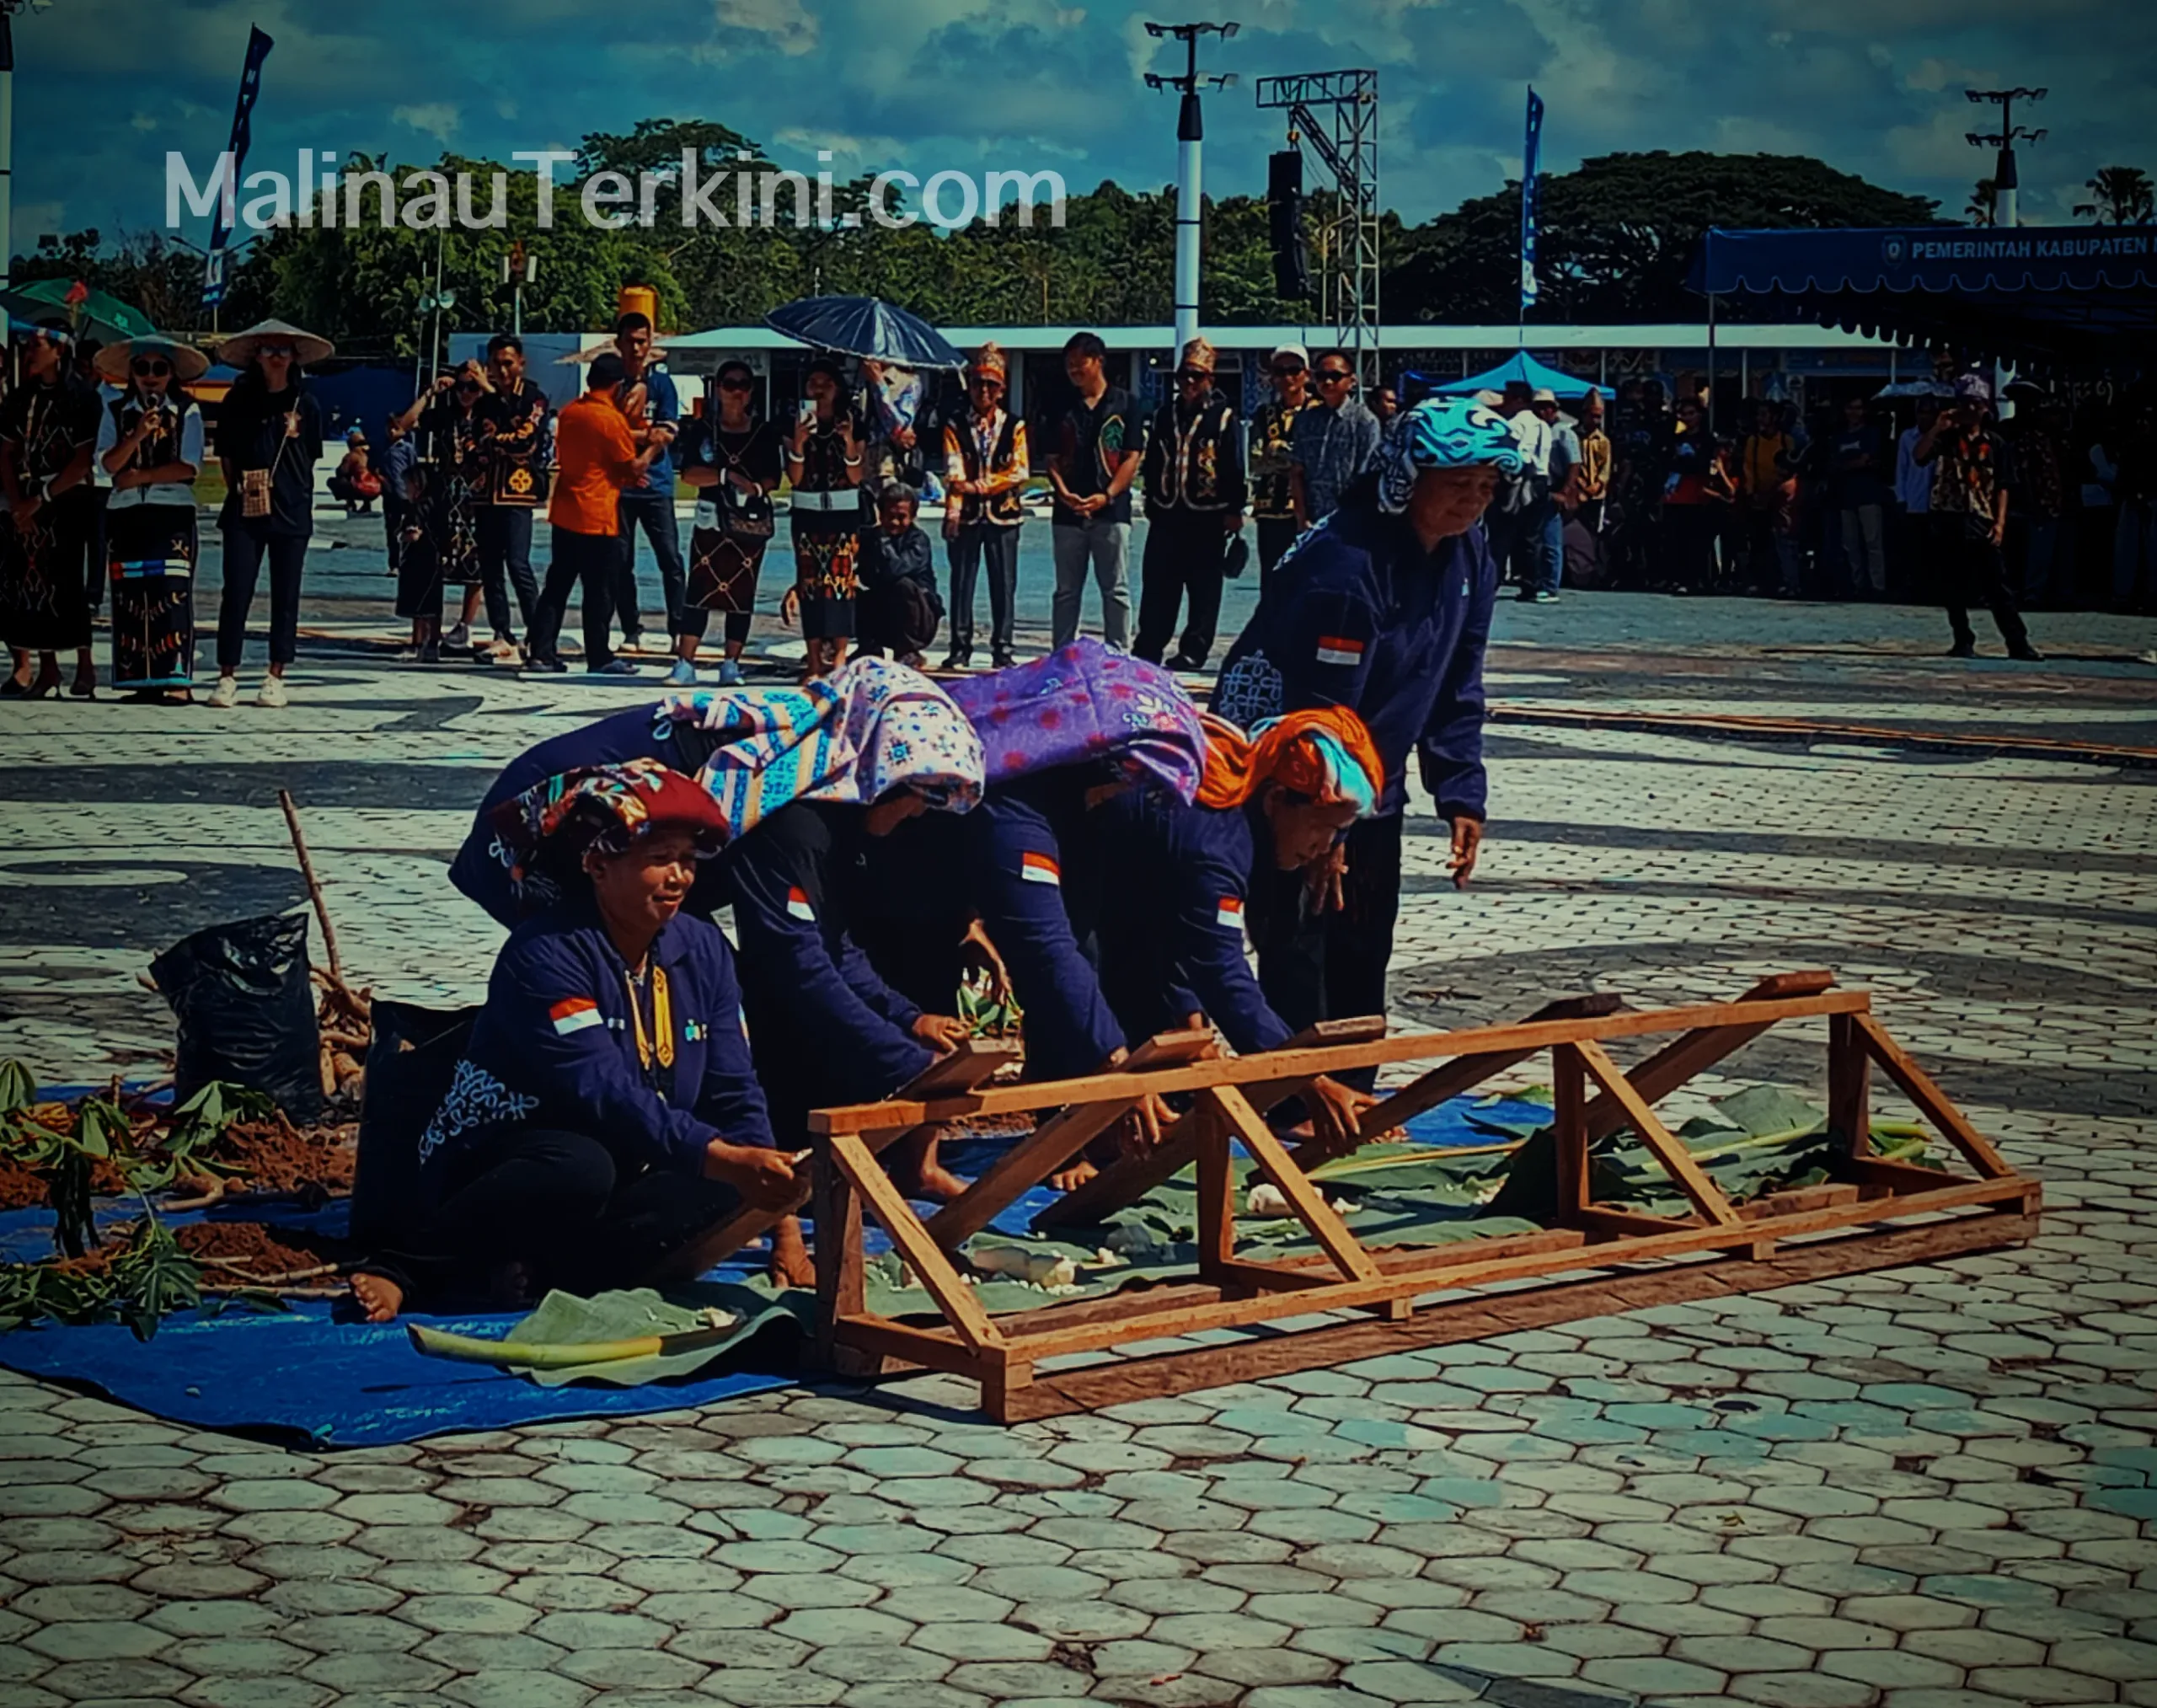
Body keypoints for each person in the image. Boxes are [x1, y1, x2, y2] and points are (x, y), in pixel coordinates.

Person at [349, 763, 790, 1323]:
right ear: (599, 865)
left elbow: (734, 1086)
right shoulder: (545, 954)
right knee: (581, 1165)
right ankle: (407, 1268)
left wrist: (781, 1225)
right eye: (660, 859)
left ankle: (544, 1273)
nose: (680, 876)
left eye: (687, 859)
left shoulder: (703, 948)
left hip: (630, 1152)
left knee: (722, 1190)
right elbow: (602, 1088)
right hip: (505, 1154)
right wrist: (720, 1156)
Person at [1212, 399, 1521, 1080]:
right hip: (1289, 768)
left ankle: (1354, 1085)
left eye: (1486, 487)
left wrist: (1461, 790)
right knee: (1301, 933)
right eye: (1456, 484)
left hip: (1369, 772)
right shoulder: (1346, 565)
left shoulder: (1472, 555)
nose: (1472, 502)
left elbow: (1456, 681)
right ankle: (1295, 1093)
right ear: (1408, 479)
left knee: (1365, 930)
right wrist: (1328, 827)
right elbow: (1321, 714)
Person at [717, 659, 984, 1250]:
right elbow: (801, 968)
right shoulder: (795, 830)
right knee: (763, 1019)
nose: (919, 815)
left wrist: (911, 1018)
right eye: (917, 799)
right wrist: (902, 1060)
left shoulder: (836, 825)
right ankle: (770, 1201)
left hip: (785, 944)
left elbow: (837, 944)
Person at [947, 641, 1210, 1188]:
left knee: (1085, 952)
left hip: (1056, 838)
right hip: (913, 894)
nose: (1136, 795)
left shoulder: (1087, 799)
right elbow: (1044, 951)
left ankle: (1079, 1123)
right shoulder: (1015, 804)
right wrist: (1118, 1067)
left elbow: (1087, 943)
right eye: (1134, 781)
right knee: (1049, 968)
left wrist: (1184, 1009)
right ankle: (1058, 1136)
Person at [1092, 709, 1386, 1152]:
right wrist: (1310, 1081)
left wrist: (1189, 1018)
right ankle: (1068, 1145)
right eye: (1322, 828)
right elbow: (1225, 976)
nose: (1324, 848)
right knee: (1079, 990)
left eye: (1339, 835)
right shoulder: (1218, 848)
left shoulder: (1236, 830)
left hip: (1132, 902)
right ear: (1274, 801)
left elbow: (1182, 929)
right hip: (1084, 880)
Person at [206, 319, 330, 710]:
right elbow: (225, 453)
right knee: (236, 590)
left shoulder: (305, 403)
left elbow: (309, 455)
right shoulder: (237, 400)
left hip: (291, 509)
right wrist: (240, 487)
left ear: (294, 357)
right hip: (245, 505)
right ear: (255, 356)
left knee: (286, 594)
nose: (276, 357)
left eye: (283, 350)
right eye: (268, 350)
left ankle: (276, 674)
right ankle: (227, 674)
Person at [525, 352, 673, 677]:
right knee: (600, 590)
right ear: (618, 386)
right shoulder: (609, 419)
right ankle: (599, 655)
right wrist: (655, 446)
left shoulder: (571, 412)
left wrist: (626, 473)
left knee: (557, 585)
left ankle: (541, 651)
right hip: (597, 514)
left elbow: (598, 460)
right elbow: (630, 465)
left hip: (566, 509)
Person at [92, 336, 207, 704]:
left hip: (171, 509)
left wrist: (140, 476)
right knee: (130, 593)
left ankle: (176, 679)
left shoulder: (187, 410)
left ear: (171, 374)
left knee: (171, 590)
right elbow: (107, 463)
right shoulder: (114, 409)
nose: (151, 377)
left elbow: (189, 466)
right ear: (132, 373)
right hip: (126, 511)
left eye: (160, 369)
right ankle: (137, 677)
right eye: (143, 368)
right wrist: (138, 433)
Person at [1, 319, 102, 700]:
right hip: (28, 497)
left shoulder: (81, 396)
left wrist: (40, 497)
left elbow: (82, 460)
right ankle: (47, 669)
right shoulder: (21, 397)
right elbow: (6, 453)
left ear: (59, 351)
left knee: (69, 581)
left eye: (37, 345)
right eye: (28, 345)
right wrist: (16, 505)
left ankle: (86, 666)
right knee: (34, 583)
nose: (29, 351)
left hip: (69, 497)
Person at [1137, 337, 1246, 671]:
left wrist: (1234, 509)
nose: (1188, 383)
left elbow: (1233, 466)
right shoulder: (1162, 416)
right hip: (1168, 514)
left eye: (1196, 376)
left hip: (1207, 518)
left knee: (1204, 589)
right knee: (1158, 585)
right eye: (1183, 376)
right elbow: (1153, 461)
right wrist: (1151, 498)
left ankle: (1194, 650)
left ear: (1209, 380)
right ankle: (1149, 647)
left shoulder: (1224, 418)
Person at [1914, 374, 2040, 661]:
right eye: (1964, 403)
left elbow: (2003, 486)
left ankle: (2017, 642)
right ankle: (1963, 639)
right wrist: (1937, 427)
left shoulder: (1995, 443)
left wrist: (2000, 523)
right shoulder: (1946, 438)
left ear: (1985, 407)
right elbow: (1919, 456)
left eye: (1975, 404)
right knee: (1953, 586)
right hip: (1948, 515)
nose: (1970, 409)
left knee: (1998, 586)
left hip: (1981, 517)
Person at [675, 358, 783, 687]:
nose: (736, 392)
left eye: (743, 386)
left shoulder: (764, 432)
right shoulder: (702, 429)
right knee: (699, 587)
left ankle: (731, 663)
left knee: (742, 590)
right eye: (730, 385)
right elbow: (690, 473)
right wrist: (725, 476)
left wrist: (756, 488)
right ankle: (685, 662)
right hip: (711, 516)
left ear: (751, 392)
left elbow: (773, 477)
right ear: (718, 389)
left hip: (747, 520)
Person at [1046, 331, 1140, 651]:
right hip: (1068, 511)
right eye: (1069, 364)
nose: (1073, 370)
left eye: (1079, 362)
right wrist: (1063, 493)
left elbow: (1132, 457)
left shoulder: (1126, 403)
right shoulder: (1060, 403)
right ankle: (1061, 651)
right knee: (1066, 590)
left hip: (1111, 510)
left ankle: (1119, 653)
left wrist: (1108, 494)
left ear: (1098, 361)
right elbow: (1051, 459)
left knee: (1116, 588)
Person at [939, 342, 1029, 671]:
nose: (984, 391)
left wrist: (979, 486)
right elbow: (953, 470)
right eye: (979, 384)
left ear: (1002, 390)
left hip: (1004, 515)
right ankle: (959, 645)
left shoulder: (1015, 426)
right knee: (962, 581)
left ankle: (1003, 647)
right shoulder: (955, 425)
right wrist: (953, 511)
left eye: (992, 385)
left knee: (1003, 583)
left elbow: (1020, 470)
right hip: (966, 515)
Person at [390, 361, 490, 650]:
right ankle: (431, 629)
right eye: (461, 386)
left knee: (477, 566)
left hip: (477, 496)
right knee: (436, 560)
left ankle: (465, 626)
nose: (466, 393)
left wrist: (484, 385)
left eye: (472, 387)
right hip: (445, 495)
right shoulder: (445, 415)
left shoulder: (488, 413)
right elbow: (402, 426)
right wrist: (430, 392)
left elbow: (507, 408)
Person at [784, 356, 867, 680]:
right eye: (813, 384)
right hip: (807, 510)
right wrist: (799, 443)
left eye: (826, 384)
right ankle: (814, 660)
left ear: (837, 389)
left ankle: (839, 659)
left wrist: (847, 442)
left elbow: (857, 475)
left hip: (843, 513)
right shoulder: (794, 422)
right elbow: (793, 476)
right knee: (810, 586)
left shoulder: (853, 421)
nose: (819, 390)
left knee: (840, 586)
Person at [472, 333, 551, 664]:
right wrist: (497, 440)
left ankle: (538, 635)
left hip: (518, 490)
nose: (502, 371)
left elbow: (525, 441)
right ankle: (502, 632)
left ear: (521, 363)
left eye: (508, 363)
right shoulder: (483, 403)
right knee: (489, 568)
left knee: (518, 564)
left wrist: (497, 440)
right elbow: (477, 440)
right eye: (496, 364)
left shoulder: (534, 398)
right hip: (486, 491)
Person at [609, 313, 686, 654]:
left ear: (650, 343)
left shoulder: (663, 385)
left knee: (670, 559)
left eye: (642, 341)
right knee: (620, 561)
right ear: (619, 343)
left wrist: (644, 455)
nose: (636, 348)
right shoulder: (611, 383)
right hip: (620, 487)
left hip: (656, 484)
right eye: (630, 341)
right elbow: (606, 432)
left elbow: (667, 431)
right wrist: (641, 434)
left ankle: (679, 629)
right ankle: (631, 629)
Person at [1288, 351, 1382, 529]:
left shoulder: (1365, 421)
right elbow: (1297, 472)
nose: (1328, 382)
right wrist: (1301, 517)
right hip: (1312, 522)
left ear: (1352, 380)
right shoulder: (1305, 420)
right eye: (1321, 376)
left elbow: (1368, 477)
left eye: (1335, 376)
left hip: (1351, 521)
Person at [856, 483, 943, 664]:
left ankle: (908, 649)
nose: (895, 522)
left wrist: (884, 542)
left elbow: (895, 570)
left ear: (913, 516)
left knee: (903, 586)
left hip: (918, 616)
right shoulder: (871, 538)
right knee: (849, 588)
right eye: (890, 516)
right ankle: (869, 647)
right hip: (885, 612)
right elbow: (866, 575)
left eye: (901, 517)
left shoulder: (919, 540)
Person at [1249, 344, 1312, 581]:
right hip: (1271, 510)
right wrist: (1293, 458)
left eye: (1294, 370)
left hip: (1311, 510)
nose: (1287, 377)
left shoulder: (1318, 411)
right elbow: (1255, 461)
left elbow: (1316, 460)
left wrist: (1276, 451)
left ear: (1306, 374)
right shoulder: (1264, 414)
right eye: (1280, 371)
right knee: (1273, 581)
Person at [1737, 399, 1801, 597]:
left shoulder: (1786, 440)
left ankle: (1782, 580)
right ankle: (1758, 580)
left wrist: (1779, 491)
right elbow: (1748, 468)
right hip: (1758, 498)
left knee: (1781, 541)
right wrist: (1752, 493)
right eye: (1759, 415)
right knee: (1758, 541)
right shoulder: (1753, 441)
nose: (1761, 419)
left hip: (1780, 497)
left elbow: (1791, 467)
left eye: (1765, 415)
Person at [1830, 395, 1890, 598]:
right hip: (1846, 497)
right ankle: (1859, 584)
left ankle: (1878, 586)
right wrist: (1853, 464)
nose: (1853, 413)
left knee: (1873, 543)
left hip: (1869, 495)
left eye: (1858, 408)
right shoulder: (1839, 436)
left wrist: (1849, 465)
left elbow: (1866, 460)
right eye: (1850, 408)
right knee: (1850, 544)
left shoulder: (1871, 434)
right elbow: (1835, 464)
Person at [1661, 396, 1721, 594]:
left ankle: (1698, 579)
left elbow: (1705, 466)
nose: (1686, 418)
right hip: (1676, 495)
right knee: (1675, 539)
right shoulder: (1677, 438)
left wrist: (1687, 462)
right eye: (1682, 414)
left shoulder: (1708, 440)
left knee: (1697, 542)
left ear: (1700, 415)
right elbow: (1669, 462)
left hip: (1698, 496)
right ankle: (1678, 578)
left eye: (1690, 414)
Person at [1523, 388, 1575, 602]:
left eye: (1547, 407)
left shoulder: (1563, 432)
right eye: (1539, 407)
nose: (1543, 411)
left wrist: (1566, 491)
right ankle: (1539, 582)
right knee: (1538, 538)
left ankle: (1551, 585)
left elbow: (1575, 463)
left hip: (1555, 488)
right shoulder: (1535, 428)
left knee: (1551, 540)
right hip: (1540, 489)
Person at [1894, 394, 1941, 600]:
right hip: (1914, 502)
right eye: (1921, 412)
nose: (1924, 417)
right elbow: (1901, 470)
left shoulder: (1943, 437)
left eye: (1929, 412)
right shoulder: (1907, 437)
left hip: (1938, 504)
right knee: (1913, 550)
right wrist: (1901, 499)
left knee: (1935, 551)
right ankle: (1914, 588)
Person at [329, 429, 380, 514]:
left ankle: (350, 502)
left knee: (335, 481)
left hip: (362, 489)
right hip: (376, 489)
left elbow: (341, 472)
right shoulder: (373, 453)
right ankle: (366, 504)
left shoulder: (352, 456)